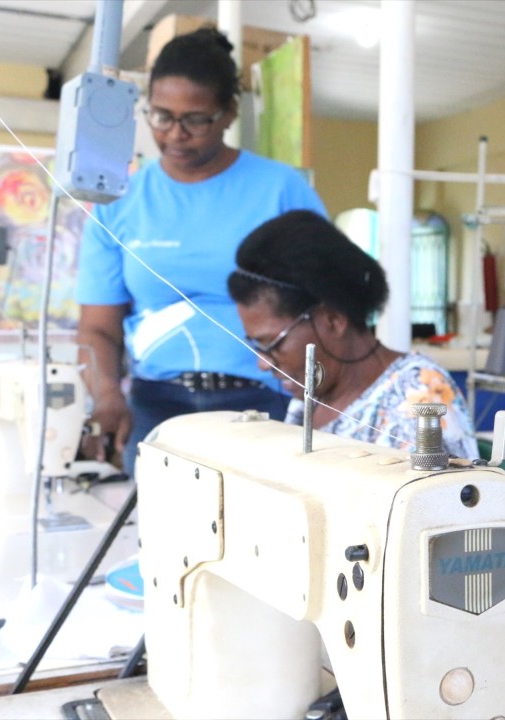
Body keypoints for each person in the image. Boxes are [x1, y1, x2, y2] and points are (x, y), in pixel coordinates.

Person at [76, 28, 327, 476]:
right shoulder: (118, 202)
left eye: (195, 119)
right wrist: (107, 395)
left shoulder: (281, 190)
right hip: (157, 406)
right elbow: (99, 328)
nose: (175, 134)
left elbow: (328, 306)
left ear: (229, 112)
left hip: (264, 403)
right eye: (160, 116)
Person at [228, 210, 477, 458]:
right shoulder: (313, 392)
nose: (262, 363)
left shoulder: (418, 395)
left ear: (334, 320)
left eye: (273, 343)